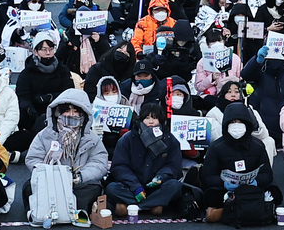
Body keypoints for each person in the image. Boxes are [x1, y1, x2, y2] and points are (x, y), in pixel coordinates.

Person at [22, 90, 108, 222]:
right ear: (57, 113)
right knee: (28, 187)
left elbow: (99, 161)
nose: (71, 115)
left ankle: (76, 211)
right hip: (50, 182)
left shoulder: (91, 137)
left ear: (83, 113)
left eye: (76, 111)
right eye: (66, 110)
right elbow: (32, 158)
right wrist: (48, 173)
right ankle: (38, 212)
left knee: (95, 186)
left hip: (77, 183)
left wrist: (80, 176)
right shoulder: (44, 134)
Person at [200, 102, 277, 223]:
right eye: (232, 122)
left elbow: (267, 174)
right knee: (210, 196)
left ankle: (225, 211)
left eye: (240, 122)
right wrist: (224, 183)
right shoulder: (216, 146)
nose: (236, 126)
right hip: (226, 190)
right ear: (226, 125)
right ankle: (255, 209)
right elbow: (207, 177)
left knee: (275, 193)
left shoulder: (257, 145)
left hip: (251, 188)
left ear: (247, 124)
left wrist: (256, 182)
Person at [105, 103, 184, 217]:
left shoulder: (170, 140)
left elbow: (173, 166)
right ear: (141, 119)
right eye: (147, 118)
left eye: (155, 118)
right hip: (131, 187)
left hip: (156, 187)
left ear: (160, 120)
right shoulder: (127, 139)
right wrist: (135, 186)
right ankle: (152, 205)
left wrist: (161, 177)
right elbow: (119, 167)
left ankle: (136, 206)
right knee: (112, 188)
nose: (151, 121)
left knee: (175, 186)